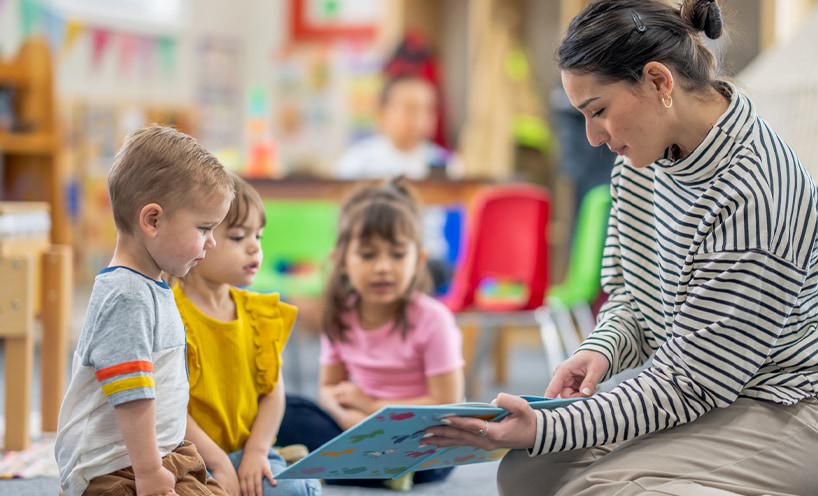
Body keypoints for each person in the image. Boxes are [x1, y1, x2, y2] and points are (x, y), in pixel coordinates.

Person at [423, 1, 818, 495]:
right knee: (528, 473)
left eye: (599, 112)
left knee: (591, 487)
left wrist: (550, 426)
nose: (592, 137)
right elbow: (631, 296)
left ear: (658, 82)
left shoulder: (758, 189)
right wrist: (600, 351)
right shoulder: (639, 161)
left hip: (786, 406)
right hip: (704, 391)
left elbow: (692, 383)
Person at [55, 125, 234, 496]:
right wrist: (150, 472)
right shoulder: (127, 295)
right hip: (113, 469)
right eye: (203, 228)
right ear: (152, 220)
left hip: (157, 454)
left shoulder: (152, 285)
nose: (212, 242)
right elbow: (131, 394)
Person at [277, 178, 465, 491]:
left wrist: (369, 405)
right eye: (367, 255)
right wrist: (347, 416)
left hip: (422, 438)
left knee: (441, 449)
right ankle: (378, 470)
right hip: (359, 429)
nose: (382, 268)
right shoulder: (340, 313)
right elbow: (328, 389)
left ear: (417, 260)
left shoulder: (434, 319)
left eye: (396, 255)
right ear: (342, 262)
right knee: (284, 408)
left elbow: (444, 404)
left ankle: (352, 465)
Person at [172, 173, 321, 496]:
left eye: (259, 236)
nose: (255, 247)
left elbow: (273, 393)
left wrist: (256, 452)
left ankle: (279, 459)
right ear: (199, 239)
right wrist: (220, 465)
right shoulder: (171, 316)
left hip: (250, 451)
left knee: (298, 491)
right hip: (191, 457)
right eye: (239, 237)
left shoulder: (259, 313)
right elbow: (171, 411)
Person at [337, 76, 459, 180]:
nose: (420, 118)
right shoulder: (358, 163)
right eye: (410, 108)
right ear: (382, 112)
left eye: (427, 109)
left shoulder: (445, 163)